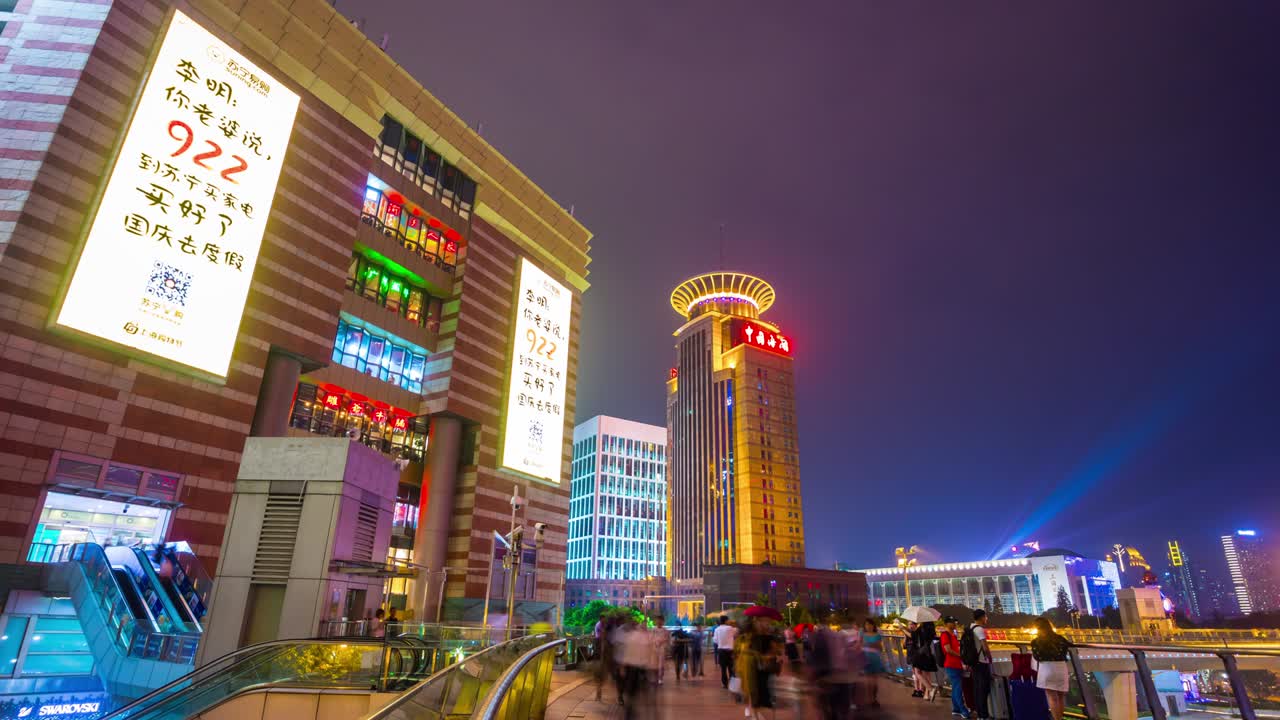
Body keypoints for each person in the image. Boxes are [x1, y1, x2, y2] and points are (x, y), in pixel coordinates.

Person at [1031, 618, 1071, 720]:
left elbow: (1037, 657)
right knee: (1061, 696)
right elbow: (1066, 649)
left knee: (1052, 697)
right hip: (1061, 667)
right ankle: (1060, 718)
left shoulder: (1036, 642)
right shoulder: (1060, 639)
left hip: (1047, 668)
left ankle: (1057, 719)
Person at [940, 616, 970, 719]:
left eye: (954, 622)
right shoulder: (945, 635)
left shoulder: (953, 634)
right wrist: (960, 656)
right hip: (951, 665)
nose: (954, 624)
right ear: (946, 623)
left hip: (956, 664)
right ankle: (963, 710)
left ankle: (956, 709)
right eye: (952, 622)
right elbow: (948, 650)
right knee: (958, 688)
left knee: (955, 688)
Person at [966, 609, 993, 720]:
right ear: (982, 617)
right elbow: (985, 647)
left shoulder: (970, 628)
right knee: (983, 689)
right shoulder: (979, 629)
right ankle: (984, 715)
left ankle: (980, 714)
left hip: (974, 662)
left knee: (977, 688)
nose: (986, 619)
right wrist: (990, 657)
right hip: (981, 662)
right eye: (985, 617)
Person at [911, 620, 940, 701]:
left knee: (917, 672)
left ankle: (931, 689)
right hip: (928, 653)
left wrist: (904, 628)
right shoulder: (931, 628)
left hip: (921, 653)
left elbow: (913, 637)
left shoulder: (921, 628)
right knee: (926, 674)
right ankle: (928, 693)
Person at [860, 618, 884, 709]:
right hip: (866, 658)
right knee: (867, 681)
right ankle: (868, 699)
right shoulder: (862, 635)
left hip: (875, 659)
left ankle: (873, 699)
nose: (868, 626)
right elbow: (859, 645)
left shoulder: (877, 635)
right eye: (866, 625)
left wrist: (874, 646)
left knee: (874, 682)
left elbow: (880, 648)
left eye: (870, 624)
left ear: (873, 626)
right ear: (864, 626)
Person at [713, 615, 738, 689]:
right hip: (730, 651)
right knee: (731, 668)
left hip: (721, 651)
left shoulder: (717, 629)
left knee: (723, 669)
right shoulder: (730, 628)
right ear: (726, 621)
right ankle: (732, 684)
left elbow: (715, 641)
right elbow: (737, 631)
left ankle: (725, 684)